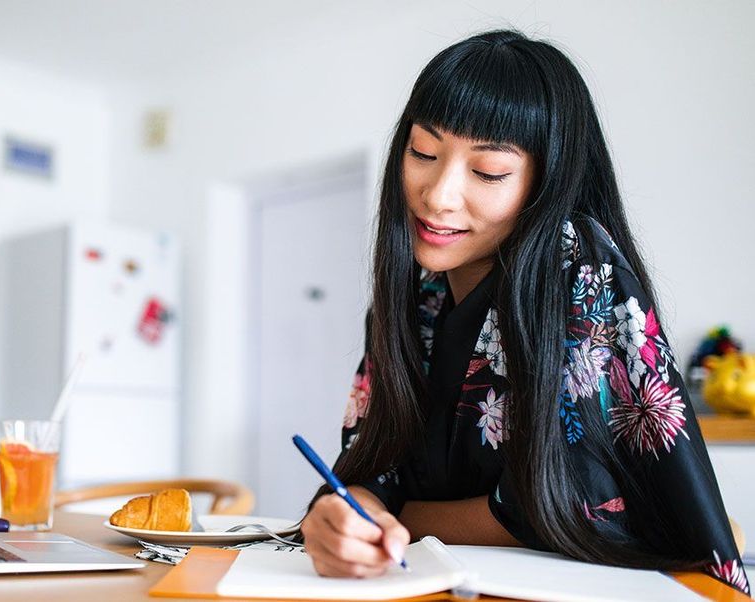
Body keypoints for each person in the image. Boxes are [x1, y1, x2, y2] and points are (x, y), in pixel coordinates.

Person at [298, 29, 749, 594]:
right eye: (423, 152)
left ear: (547, 181)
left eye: (487, 172)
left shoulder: (575, 263)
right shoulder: (417, 295)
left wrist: (399, 520)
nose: (438, 194)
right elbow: (373, 465)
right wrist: (343, 516)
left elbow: (559, 505)